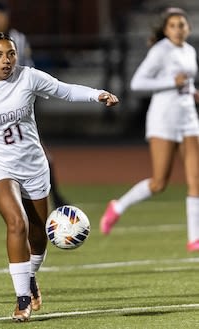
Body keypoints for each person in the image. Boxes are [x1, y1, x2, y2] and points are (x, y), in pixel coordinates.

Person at [0, 32, 118, 322]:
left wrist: (98, 94)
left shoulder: (28, 78)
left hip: (33, 166)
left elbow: (65, 90)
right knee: (16, 222)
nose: (6, 61)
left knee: (39, 236)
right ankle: (22, 299)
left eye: (11, 54)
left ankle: (30, 278)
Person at [100, 7, 199, 252]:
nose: (178, 29)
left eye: (182, 25)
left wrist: (192, 91)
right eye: (173, 25)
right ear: (165, 30)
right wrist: (170, 83)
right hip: (163, 119)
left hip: (188, 118)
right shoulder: (159, 51)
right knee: (159, 183)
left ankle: (194, 238)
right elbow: (137, 83)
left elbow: (185, 82)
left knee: (196, 179)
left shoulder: (190, 50)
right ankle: (118, 207)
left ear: (188, 28)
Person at [0, 0, 68, 212]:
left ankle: (54, 195)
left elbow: (30, 70)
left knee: (40, 152)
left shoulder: (18, 39)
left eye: (0, 15)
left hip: (17, 110)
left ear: (8, 17)